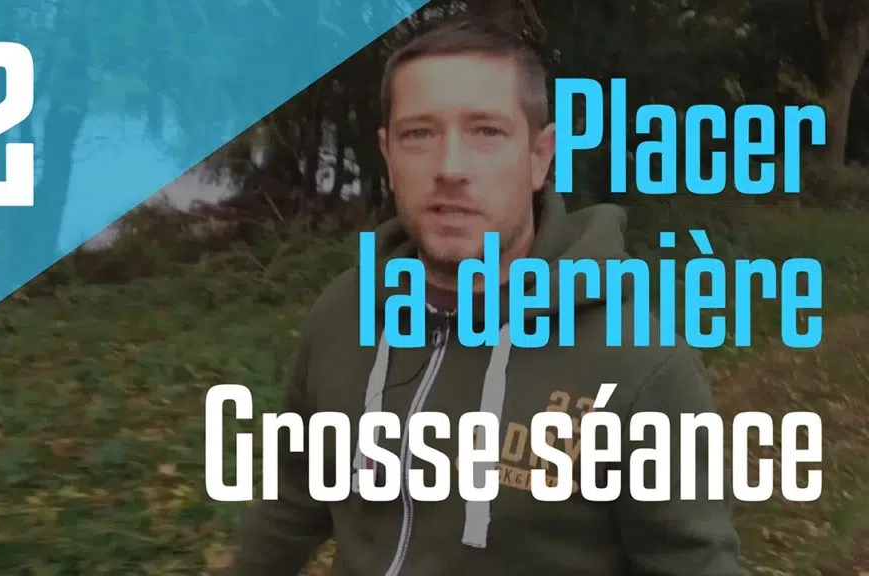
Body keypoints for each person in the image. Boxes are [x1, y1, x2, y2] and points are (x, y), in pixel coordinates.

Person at [224, 18, 750, 576]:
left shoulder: (638, 362)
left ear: (540, 157)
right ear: (388, 155)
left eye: (487, 132)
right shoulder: (343, 313)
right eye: (419, 134)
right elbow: (293, 500)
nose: (451, 168)